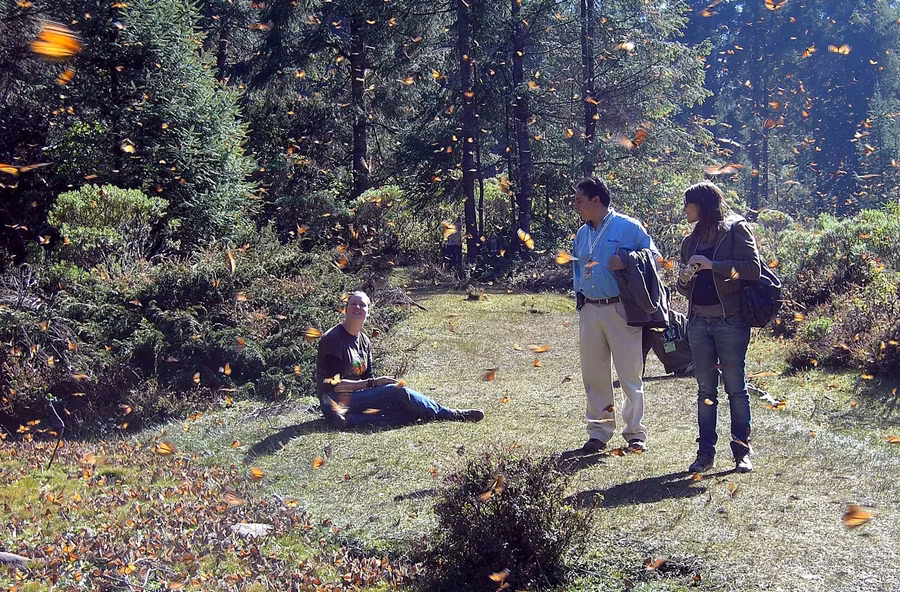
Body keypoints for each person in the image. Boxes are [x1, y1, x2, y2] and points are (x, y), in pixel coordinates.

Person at [676, 181, 761, 474]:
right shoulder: (690, 241)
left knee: (736, 389)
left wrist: (713, 265)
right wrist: (685, 279)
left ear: (703, 205)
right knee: (705, 391)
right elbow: (682, 286)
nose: (685, 209)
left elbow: (752, 269)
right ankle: (705, 454)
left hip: (730, 321)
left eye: (688, 203)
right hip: (698, 322)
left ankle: (742, 454)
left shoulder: (736, 229)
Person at [570, 177, 660, 454]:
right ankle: (598, 433)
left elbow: (654, 256)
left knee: (629, 374)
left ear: (597, 200)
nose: (577, 207)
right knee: (594, 375)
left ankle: (635, 434)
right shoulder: (581, 234)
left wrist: (627, 261)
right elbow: (577, 269)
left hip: (621, 308)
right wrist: (580, 298)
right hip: (590, 309)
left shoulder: (628, 226)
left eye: (580, 201)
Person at [315, 291, 484, 429]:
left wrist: (375, 385)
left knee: (405, 409)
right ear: (346, 309)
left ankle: (352, 420)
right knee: (398, 392)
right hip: (334, 400)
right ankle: (450, 413)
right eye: (353, 304)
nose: (357, 307)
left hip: (356, 398)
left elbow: (368, 376)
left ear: (368, 311)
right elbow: (336, 385)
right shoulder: (333, 339)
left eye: (362, 305)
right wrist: (375, 383)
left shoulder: (364, 340)